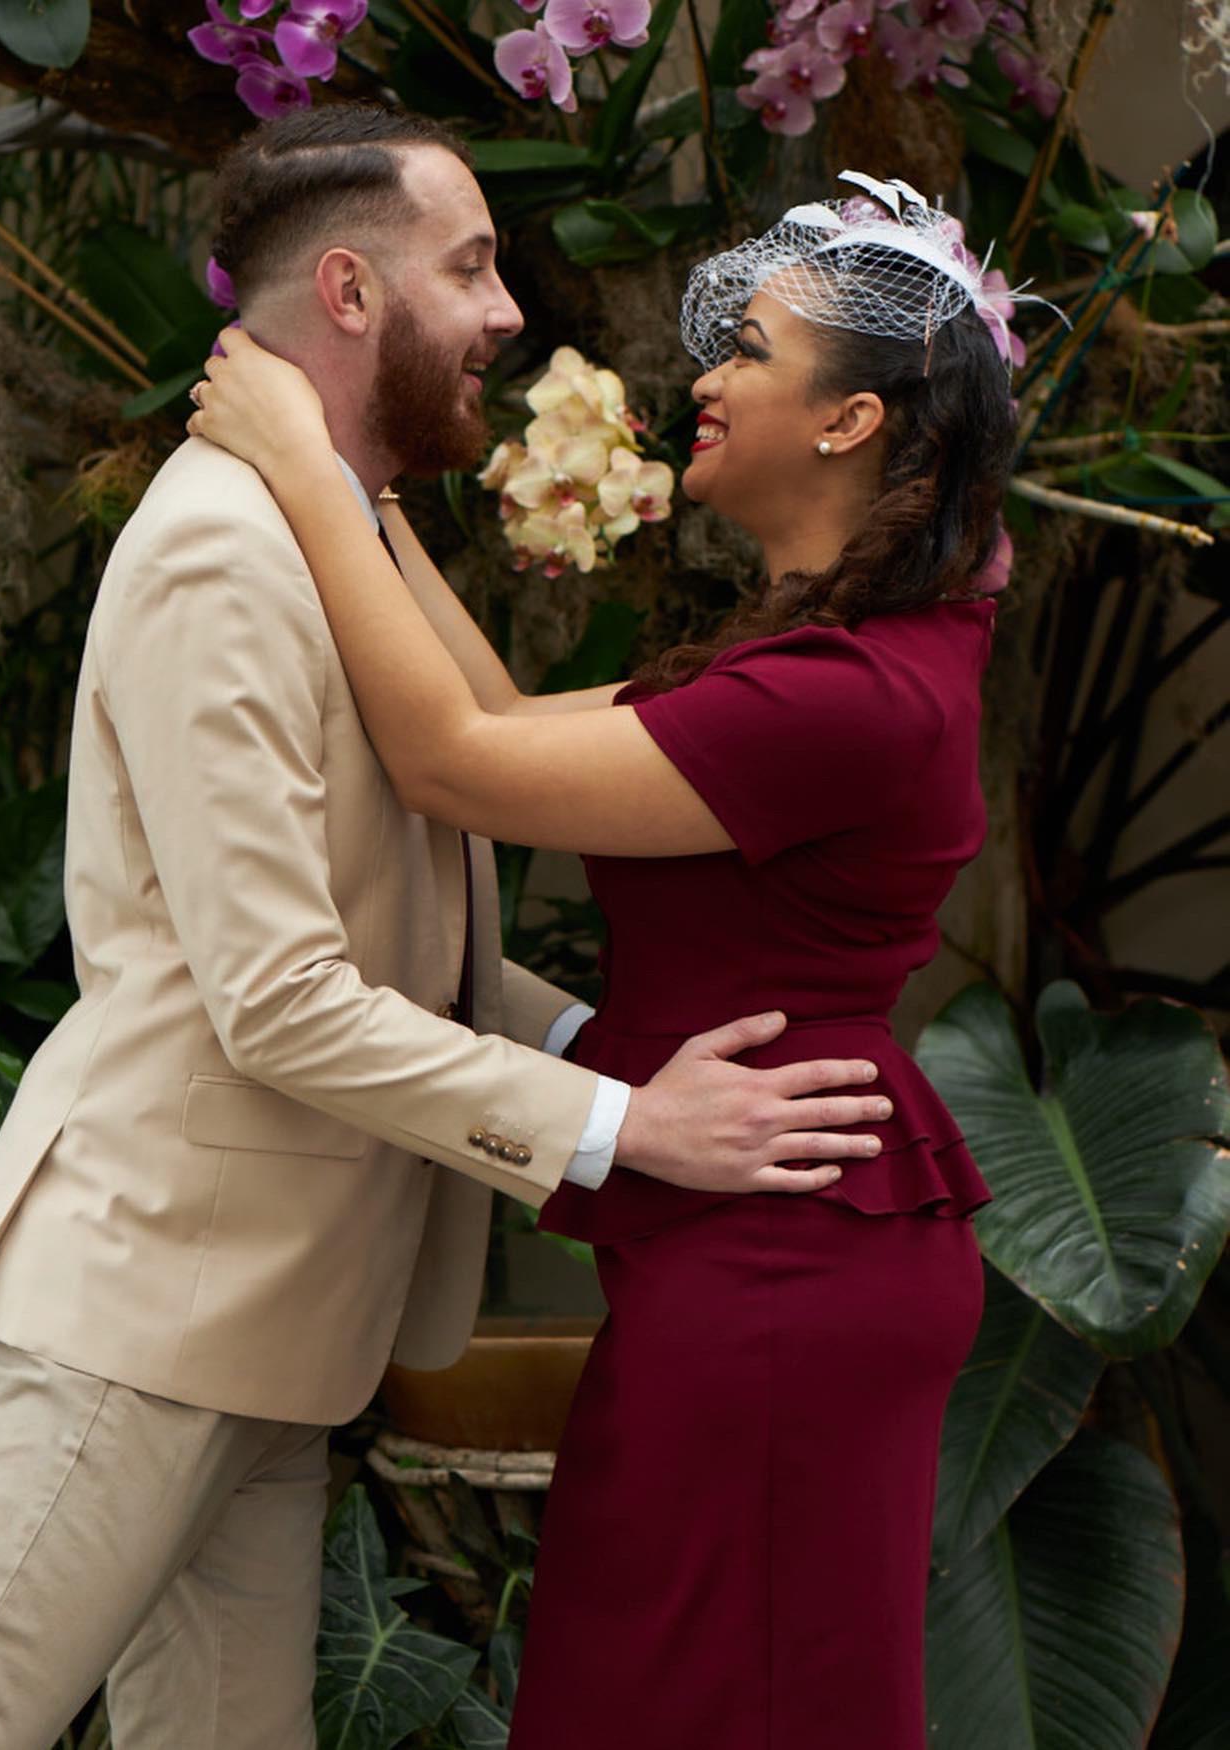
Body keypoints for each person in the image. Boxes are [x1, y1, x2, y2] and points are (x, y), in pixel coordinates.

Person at [0, 108, 894, 1750]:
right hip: (153, 1296)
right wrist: (620, 1126)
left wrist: (609, 1054)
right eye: (469, 267)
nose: (508, 311)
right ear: (348, 290)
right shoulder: (223, 552)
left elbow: (397, 912)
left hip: (271, 1325)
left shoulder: (333, 538)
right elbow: (279, 997)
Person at [187, 171, 1019, 1749]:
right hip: (762, 1237)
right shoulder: (821, 658)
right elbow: (496, 717)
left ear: (848, 423)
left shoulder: (842, 698)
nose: (706, 377)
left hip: (782, 1266)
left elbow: (450, 763)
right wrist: (362, 487)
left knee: (711, 1702)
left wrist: (300, 463)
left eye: (751, 352)